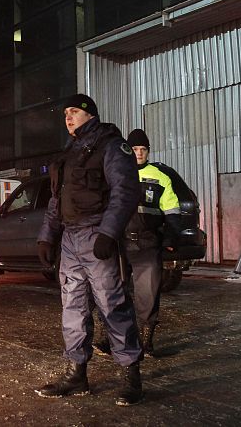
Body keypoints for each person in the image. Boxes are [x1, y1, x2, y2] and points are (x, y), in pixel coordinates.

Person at [34, 94, 144, 406]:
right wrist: (47, 237)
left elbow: (126, 190)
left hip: (97, 235)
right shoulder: (70, 153)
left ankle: (131, 376)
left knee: (112, 304)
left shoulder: (111, 145)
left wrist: (108, 233)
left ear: (90, 114)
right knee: (72, 306)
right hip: (70, 239)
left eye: (74, 112)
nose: (68, 117)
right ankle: (77, 374)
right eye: (65, 113)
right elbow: (57, 200)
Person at [119, 129, 183, 357]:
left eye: (142, 149)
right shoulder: (116, 173)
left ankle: (146, 342)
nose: (138, 153)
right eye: (134, 149)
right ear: (128, 150)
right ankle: (113, 339)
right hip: (120, 244)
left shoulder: (160, 177)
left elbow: (172, 210)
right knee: (115, 293)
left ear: (148, 152)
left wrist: (170, 236)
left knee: (148, 294)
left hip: (147, 243)